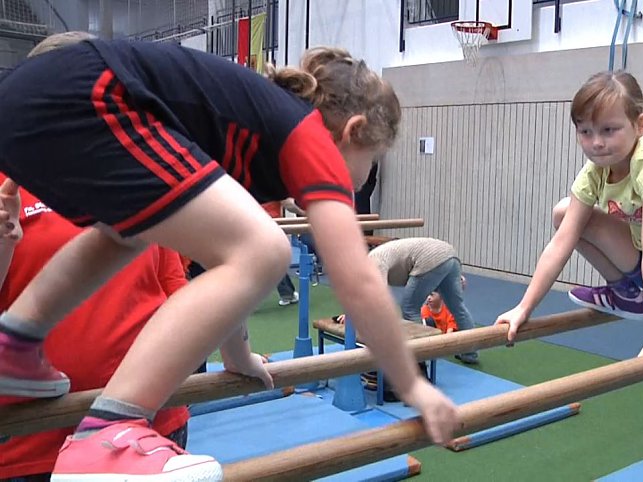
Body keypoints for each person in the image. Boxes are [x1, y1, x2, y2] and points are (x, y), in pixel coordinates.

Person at [0, 35, 457, 480]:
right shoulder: (307, 136)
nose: (362, 178)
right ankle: (111, 431)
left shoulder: (253, 134)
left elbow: (224, 269)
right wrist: (413, 384)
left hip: (33, 97)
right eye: (371, 159)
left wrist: (236, 354)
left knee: (129, 233)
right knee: (267, 248)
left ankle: (15, 344)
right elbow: (356, 278)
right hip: (84, 92)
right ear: (352, 131)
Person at [495, 71, 643, 379]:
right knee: (564, 214)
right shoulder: (595, 172)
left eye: (609, 130)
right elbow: (561, 242)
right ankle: (626, 293)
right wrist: (523, 307)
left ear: (641, 125)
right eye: (585, 132)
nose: (596, 143)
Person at [0, 173, 192, 481]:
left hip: (148, 425)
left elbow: (173, 288)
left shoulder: (129, 169)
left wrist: (235, 349)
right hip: (34, 441)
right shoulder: (10, 179)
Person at [369, 237, 478, 364]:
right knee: (458, 307)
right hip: (450, 256)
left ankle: (419, 359)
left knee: (409, 309)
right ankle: (470, 354)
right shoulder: (375, 258)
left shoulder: (372, 262)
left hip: (430, 259)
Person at [261, 201, 299, 306]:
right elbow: (288, 204)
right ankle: (287, 294)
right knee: (274, 263)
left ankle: (287, 294)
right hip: (270, 226)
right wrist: (305, 213)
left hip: (256, 224)